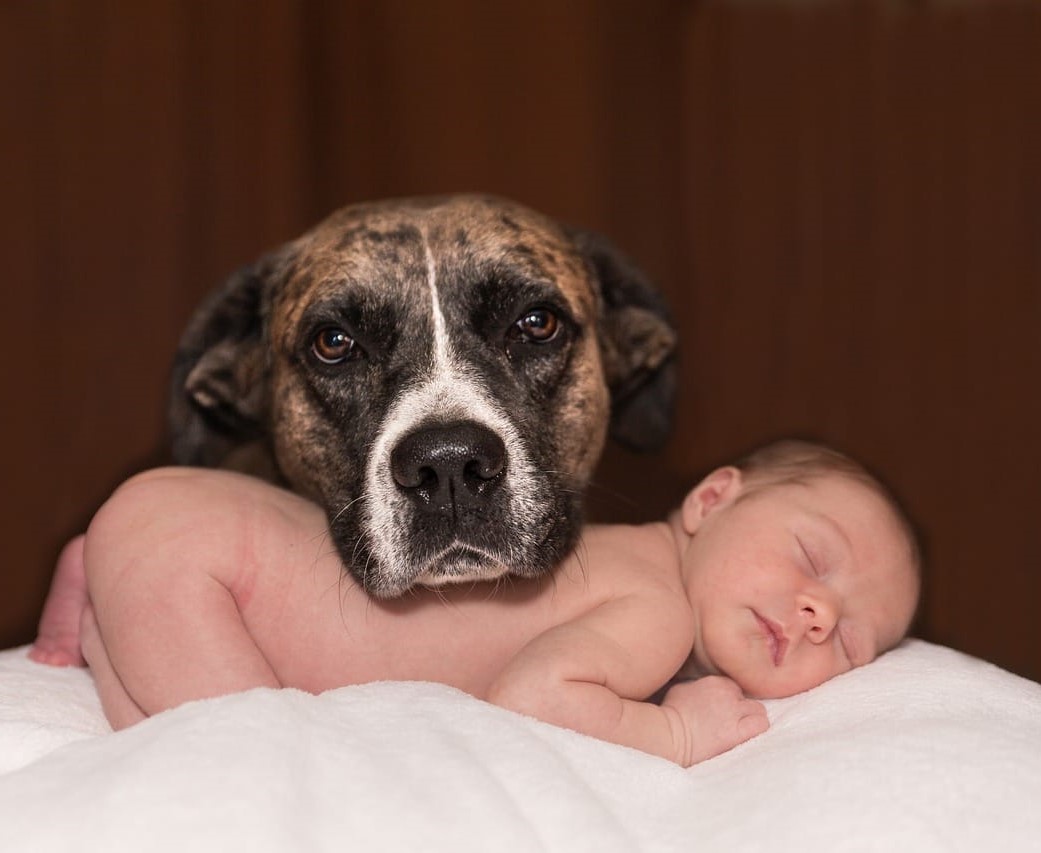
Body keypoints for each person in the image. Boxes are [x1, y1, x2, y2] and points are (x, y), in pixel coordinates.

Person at [30, 439, 921, 767]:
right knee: (243, 745)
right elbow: (535, 700)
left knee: (169, 626)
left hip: (187, 520)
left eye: (847, 639)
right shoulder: (656, 609)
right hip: (209, 572)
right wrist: (675, 735)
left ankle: (107, 569)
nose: (813, 612)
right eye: (810, 558)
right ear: (711, 498)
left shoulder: (633, 566)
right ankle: (120, 574)